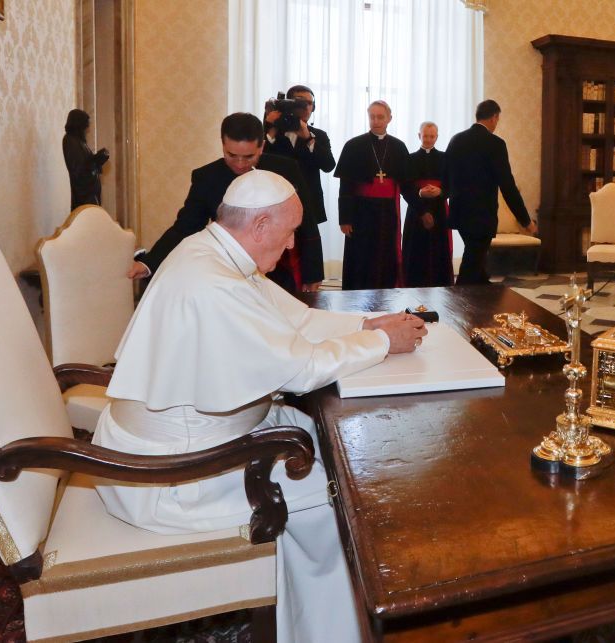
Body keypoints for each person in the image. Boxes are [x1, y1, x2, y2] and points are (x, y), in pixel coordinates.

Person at [95, 169, 427, 642]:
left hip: (210, 435)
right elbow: (301, 368)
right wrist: (379, 342)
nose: (293, 245)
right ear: (261, 225)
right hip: (177, 474)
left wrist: (371, 322)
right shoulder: (214, 281)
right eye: (290, 231)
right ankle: (330, 631)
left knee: (351, 446)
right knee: (344, 492)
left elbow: (300, 322)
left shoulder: (212, 251)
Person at [127, 113, 309, 291]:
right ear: (223, 145)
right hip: (231, 275)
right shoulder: (206, 177)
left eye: (248, 157)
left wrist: (313, 272)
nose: (239, 163)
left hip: (281, 269)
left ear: (261, 147)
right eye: (232, 155)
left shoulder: (286, 169)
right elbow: (185, 227)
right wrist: (148, 263)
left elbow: (307, 223)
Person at [444, 99, 536, 285]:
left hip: (460, 213)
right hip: (482, 216)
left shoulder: (456, 140)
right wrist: (525, 220)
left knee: (477, 263)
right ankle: (459, 306)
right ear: (494, 117)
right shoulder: (495, 144)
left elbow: (445, 176)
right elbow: (507, 185)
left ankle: (486, 303)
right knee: (471, 268)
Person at [265, 84, 336, 291]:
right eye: (300, 102)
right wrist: (270, 129)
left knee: (308, 256)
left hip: (309, 203)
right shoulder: (271, 131)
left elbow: (329, 165)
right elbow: (259, 160)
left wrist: (308, 138)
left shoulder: (318, 135)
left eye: (310, 103)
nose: (305, 107)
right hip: (276, 204)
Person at [334, 100, 410, 290]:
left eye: (380, 117)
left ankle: (385, 294)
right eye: (372, 116)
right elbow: (346, 186)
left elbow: (407, 184)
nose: (375, 121)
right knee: (360, 257)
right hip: (361, 212)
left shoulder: (399, 147)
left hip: (387, 213)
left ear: (389, 119)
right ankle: (355, 297)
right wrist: (345, 219)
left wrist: (421, 201)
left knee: (385, 256)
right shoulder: (353, 146)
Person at [401, 121, 453, 287]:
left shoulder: (446, 158)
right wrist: (419, 192)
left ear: (437, 137)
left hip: (439, 209)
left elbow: (453, 184)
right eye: (425, 136)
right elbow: (405, 186)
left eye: (432, 136)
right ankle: (413, 284)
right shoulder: (409, 159)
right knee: (416, 250)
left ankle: (440, 285)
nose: (429, 139)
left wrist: (442, 192)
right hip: (417, 209)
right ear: (419, 136)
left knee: (439, 251)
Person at [62, 109, 109, 210]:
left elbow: (88, 161)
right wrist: (96, 160)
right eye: (84, 125)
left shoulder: (81, 142)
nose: (86, 128)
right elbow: (78, 169)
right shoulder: (69, 140)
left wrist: (100, 158)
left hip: (91, 193)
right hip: (83, 195)